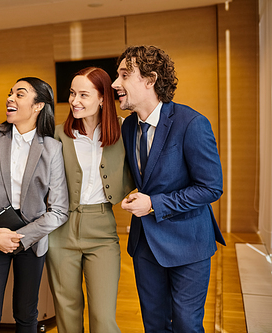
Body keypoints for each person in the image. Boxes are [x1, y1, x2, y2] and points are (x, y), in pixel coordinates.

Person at [112, 45, 225, 332]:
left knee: (187, 325)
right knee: (154, 325)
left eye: (125, 75)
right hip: (146, 245)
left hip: (188, 243)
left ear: (149, 80)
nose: (115, 84)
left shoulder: (192, 123)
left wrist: (153, 204)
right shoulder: (127, 128)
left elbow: (211, 187)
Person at [0, 77, 69, 333]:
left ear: (38, 105)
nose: (10, 98)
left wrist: (21, 237)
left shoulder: (52, 148)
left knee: (26, 315)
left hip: (30, 242)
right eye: (10, 93)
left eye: (19, 94)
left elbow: (59, 210)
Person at [46, 67, 134, 333]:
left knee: (103, 317)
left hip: (103, 229)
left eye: (84, 94)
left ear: (103, 98)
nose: (75, 101)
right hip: (61, 229)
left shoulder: (123, 131)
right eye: (72, 93)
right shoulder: (58, 134)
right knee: (67, 312)